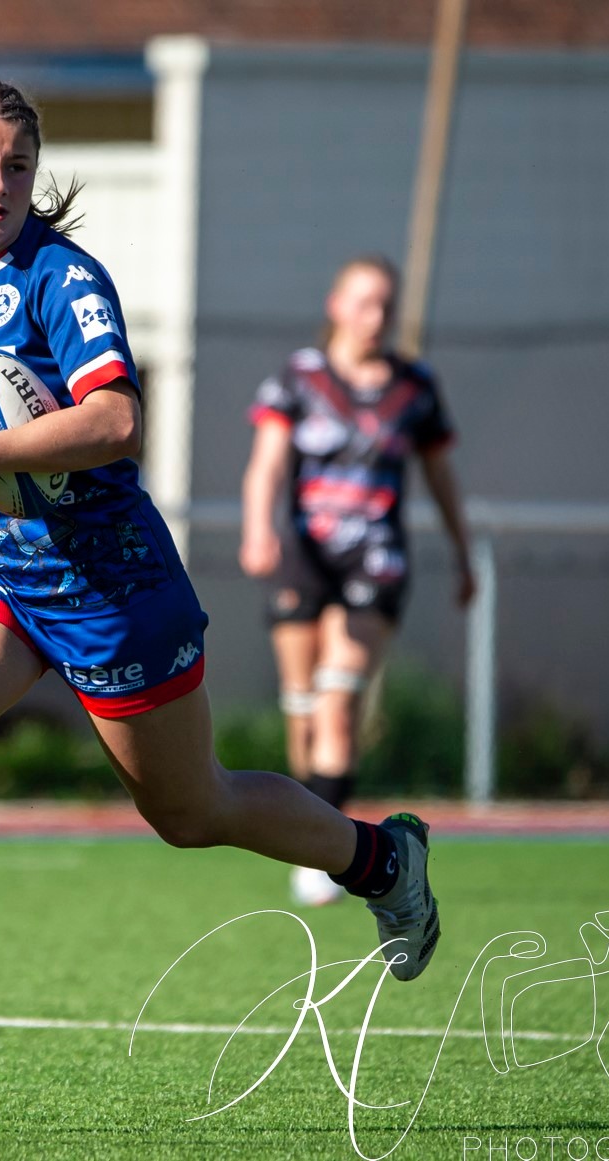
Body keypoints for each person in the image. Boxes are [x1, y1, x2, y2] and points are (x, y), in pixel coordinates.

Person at [0, 80, 443, 1090]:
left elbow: (115, 420)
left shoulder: (62, 277)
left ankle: (378, 861)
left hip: (109, 584)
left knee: (190, 811)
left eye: (15, 164)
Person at [239, 256, 475, 907]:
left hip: (375, 560)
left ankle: (324, 857)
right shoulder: (298, 376)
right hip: (303, 557)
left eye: (386, 305)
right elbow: (266, 465)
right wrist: (257, 527)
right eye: (365, 302)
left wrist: (461, 554)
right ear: (336, 304)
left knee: (335, 701)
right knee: (300, 709)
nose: (377, 316)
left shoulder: (414, 388)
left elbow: (440, 478)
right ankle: (311, 831)